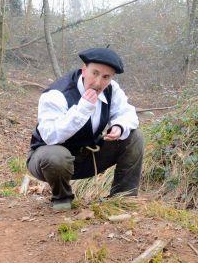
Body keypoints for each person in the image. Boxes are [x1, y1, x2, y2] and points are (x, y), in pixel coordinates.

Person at [27, 48, 144, 211]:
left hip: (87, 157)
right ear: (84, 70)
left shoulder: (112, 89)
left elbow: (127, 113)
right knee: (56, 156)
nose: (98, 83)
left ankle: (124, 199)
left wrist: (119, 126)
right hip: (47, 162)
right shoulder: (57, 94)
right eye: (94, 73)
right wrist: (82, 109)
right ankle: (62, 198)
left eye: (106, 77)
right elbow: (50, 136)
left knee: (133, 136)